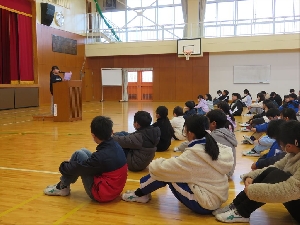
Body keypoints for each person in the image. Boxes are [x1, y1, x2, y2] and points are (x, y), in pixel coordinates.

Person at [122, 115, 234, 215]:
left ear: (190, 133)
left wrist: (159, 161)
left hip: (205, 204)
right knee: (171, 168)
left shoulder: (194, 154)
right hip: (217, 196)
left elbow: (157, 169)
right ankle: (142, 193)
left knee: (166, 173)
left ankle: (140, 194)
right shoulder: (214, 145)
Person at [214, 120, 300, 223]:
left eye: (280, 144)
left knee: (278, 175)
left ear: (289, 146)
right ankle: (236, 205)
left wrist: (253, 190)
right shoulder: (293, 153)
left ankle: (242, 212)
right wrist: (251, 176)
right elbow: (275, 166)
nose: (280, 146)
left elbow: (291, 190)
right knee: (274, 171)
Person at [43, 116, 128, 202]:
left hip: (102, 194)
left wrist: (64, 165)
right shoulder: (116, 145)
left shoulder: (100, 157)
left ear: (93, 136)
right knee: (83, 151)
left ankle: (62, 186)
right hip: (115, 189)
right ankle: (63, 185)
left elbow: (80, 168)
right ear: (112, 132)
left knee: (79, 154)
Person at [206, 109, 237, 178]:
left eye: (207, 121)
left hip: (223, 173)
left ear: (213, 123)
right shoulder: (227, 132)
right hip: (230, 170)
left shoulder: (214, 136)